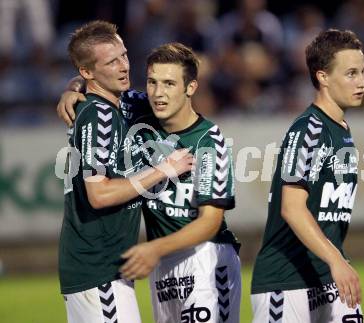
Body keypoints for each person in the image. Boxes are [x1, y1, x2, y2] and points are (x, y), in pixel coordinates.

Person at [57, 42, 241, 323]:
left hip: (205, 259)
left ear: (190, 88)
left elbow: (210, 222)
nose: (158, 93)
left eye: (169, 83)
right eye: (152, 82)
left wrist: (154, 249)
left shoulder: (208, 142)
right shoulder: (139, 111)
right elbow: (96, 84)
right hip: (161, 266)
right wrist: (72, 89)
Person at [59, 21, 193, 323]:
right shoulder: (97, 116)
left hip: (107, 267)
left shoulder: (122, 104)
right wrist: (163, 170)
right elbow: (99, 193)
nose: (123, 66)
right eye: (111, 61)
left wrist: (72, 86)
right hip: (97, 267)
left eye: (124, 55)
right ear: (88, 72)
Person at [251, 29, 364, 322]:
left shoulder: (341, 130)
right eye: (351, 73)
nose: (362, 82)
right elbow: (291, 207)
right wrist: (336, 260)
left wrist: (335, 261)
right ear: (323, 77)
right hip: (285, 283)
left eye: (362, 72)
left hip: (326, 274)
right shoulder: (310, 130)